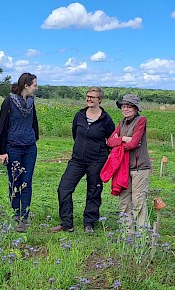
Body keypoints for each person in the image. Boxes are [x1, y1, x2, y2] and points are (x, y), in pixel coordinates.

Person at [50, 87, 115, 233]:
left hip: (97, 161)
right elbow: (76, 134)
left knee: (93, 191)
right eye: (88, 96)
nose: (89, 99)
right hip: (77, 160)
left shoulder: (106, 119)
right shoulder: (79, 115)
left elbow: (111, 140)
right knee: (64, 188)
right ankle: (66, 223)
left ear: (100, 100)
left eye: (93, 97)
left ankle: (89, 223)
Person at [103, 94, 152, 234]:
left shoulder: (141, 120)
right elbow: (109, 142)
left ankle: (144, 235)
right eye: (123, 106)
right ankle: (127, 234)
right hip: (123, 167)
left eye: (129, 106)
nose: (125, 109)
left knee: (138, 200)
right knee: (124, 200)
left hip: (139, 167)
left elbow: (134, 144)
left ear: (136, 108)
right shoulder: (122, 122)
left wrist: (119, 143)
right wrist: (124, 139)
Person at [0, 73, 39, 233]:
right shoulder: (9, 101)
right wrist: (3, 151)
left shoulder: (31, 102)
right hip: (13, 147)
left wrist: (33, 137)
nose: (36, 87)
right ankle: (15, 213)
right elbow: (2, 126)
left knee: (27, 182)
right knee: (15, 181)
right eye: (34, 84)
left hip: (29, 147)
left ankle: (24, 217)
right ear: (26, 86)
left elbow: (34, 122)